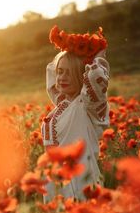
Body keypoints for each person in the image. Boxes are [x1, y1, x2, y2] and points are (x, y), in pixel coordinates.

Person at [41, 42, 110, 202]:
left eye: (69, 73)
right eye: (60, 72)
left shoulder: (87, 105)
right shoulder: (63, 102)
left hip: (79, 182)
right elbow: (51, 71)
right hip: (56, 183)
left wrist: (96, 56)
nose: (62, 78)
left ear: (82, 75)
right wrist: (71, 46)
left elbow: (96, 77)